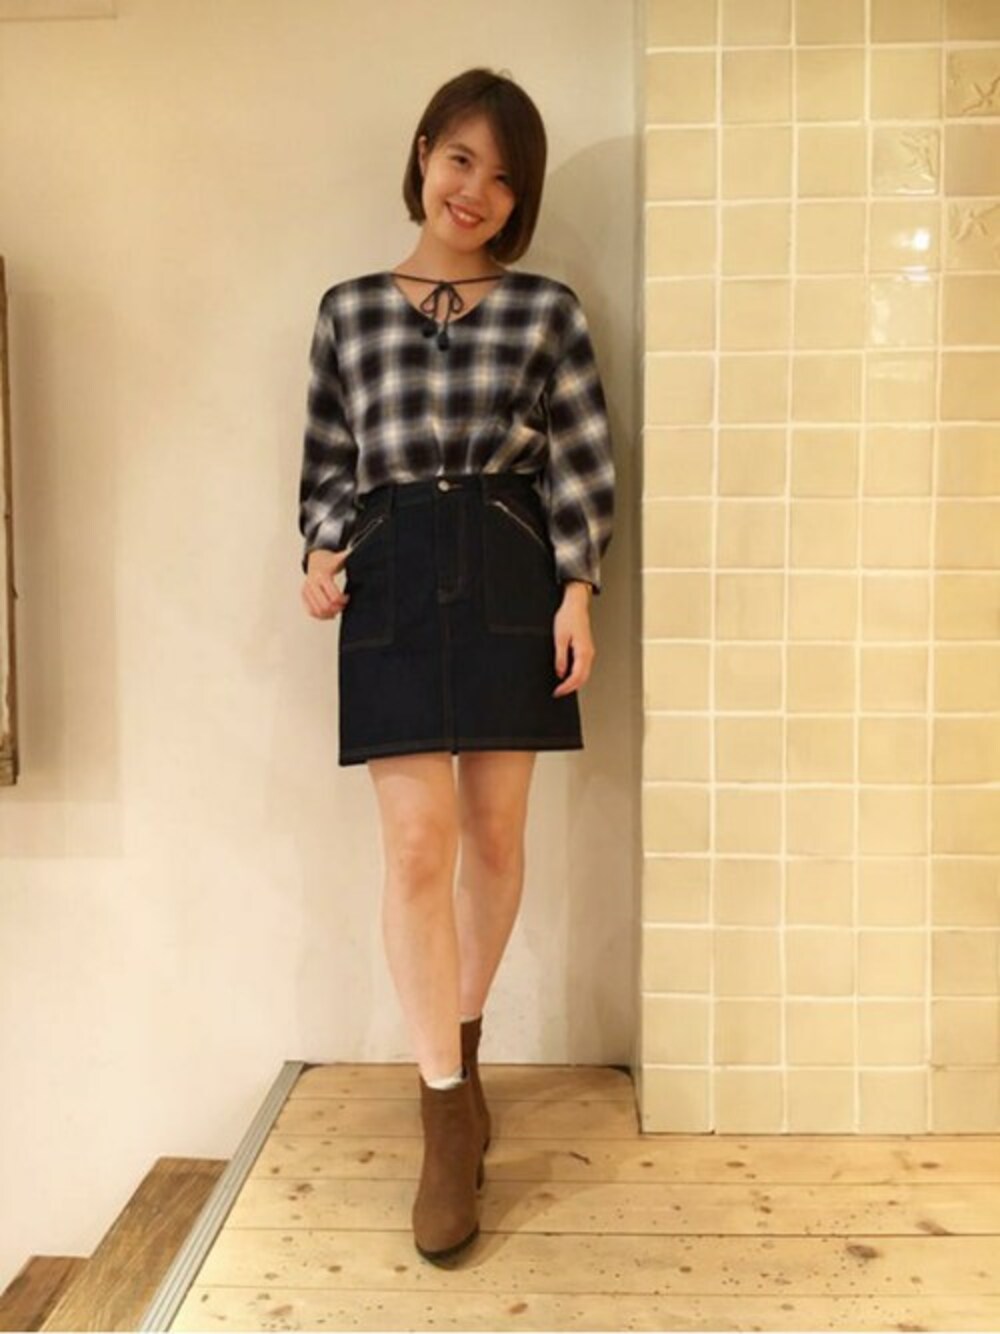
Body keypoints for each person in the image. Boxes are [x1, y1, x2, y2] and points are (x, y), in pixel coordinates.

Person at [298, 67, 615, 1265]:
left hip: (507, 560)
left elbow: (580, 454)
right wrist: (319, 545)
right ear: (425, 152)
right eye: (461, 159)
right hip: (390, 567)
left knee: (492, 834)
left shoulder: (545, 312)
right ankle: (442, 1110)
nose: (475, 189)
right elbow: (328, 452)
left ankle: (466, 1048)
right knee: (418, 845)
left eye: (502, 176)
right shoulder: (347, 310)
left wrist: (577, 588)